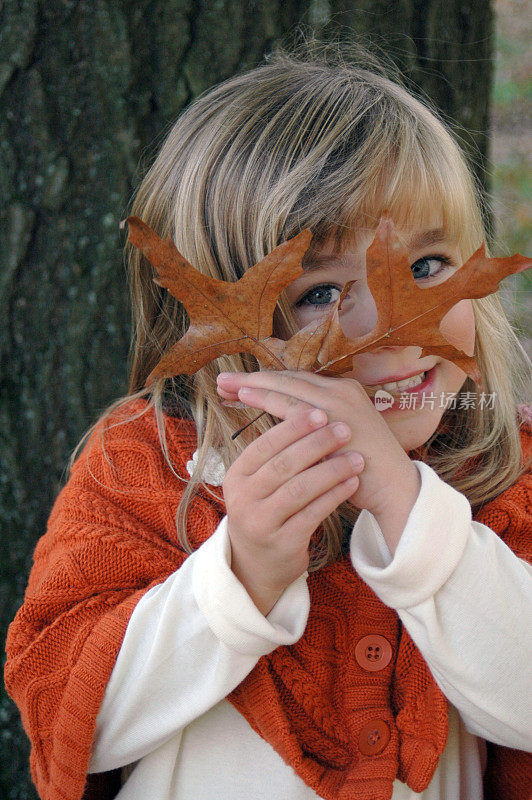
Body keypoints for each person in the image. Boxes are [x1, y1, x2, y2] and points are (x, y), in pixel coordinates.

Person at [5, 41, 532, 800]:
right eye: (318, 292)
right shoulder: (149, 465)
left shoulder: (505, 473)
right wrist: (240, 576)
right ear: (221, 322)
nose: (385, 327)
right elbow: (67, 717)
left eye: (425, 269)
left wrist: (416, 521)